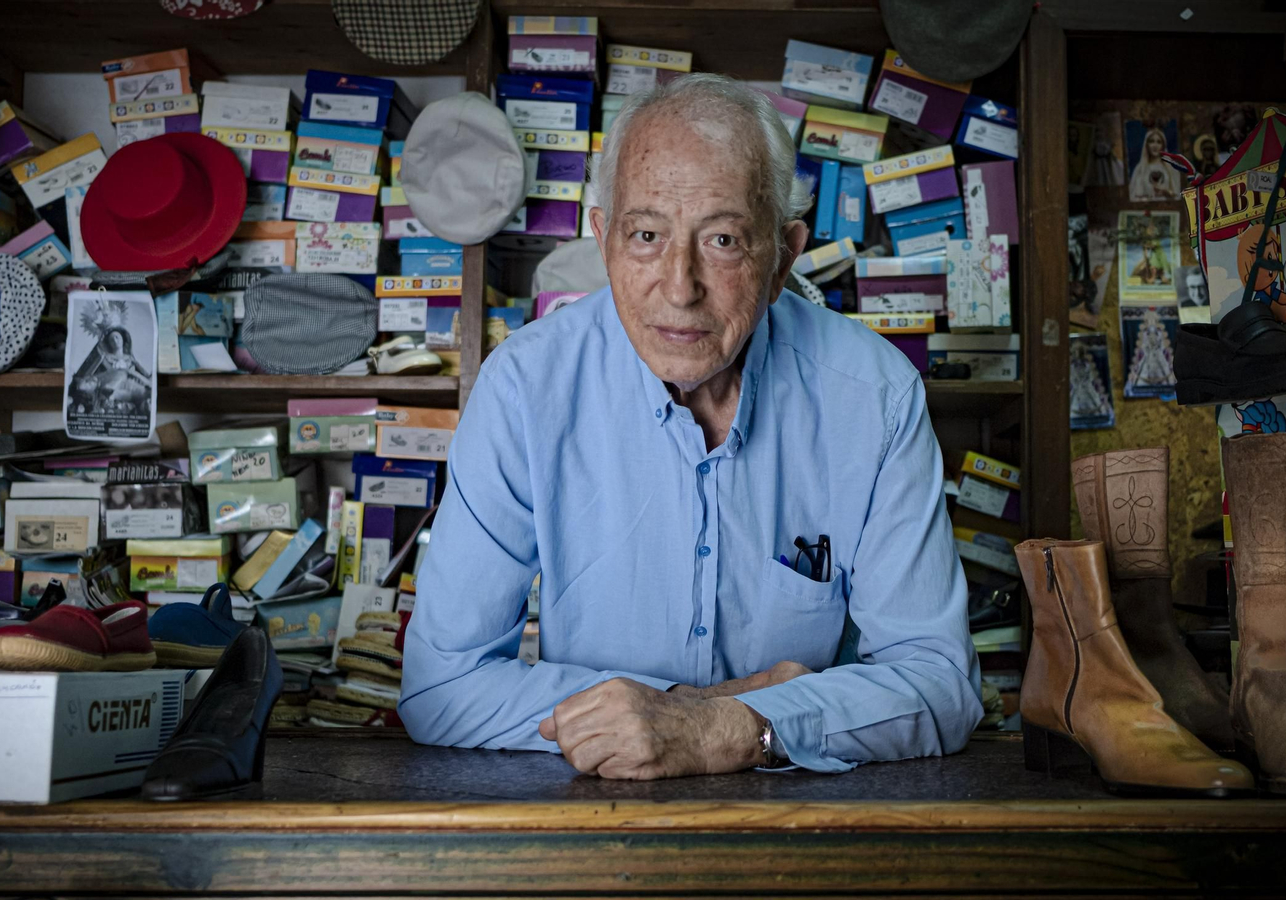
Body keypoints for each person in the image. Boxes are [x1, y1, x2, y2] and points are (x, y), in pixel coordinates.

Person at [400, 75, 982, 779]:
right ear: (603, 239)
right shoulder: (525, 389)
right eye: (646, 235)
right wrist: (694, 712)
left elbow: (941, 685)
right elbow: (441, 687)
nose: (680, 287)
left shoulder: (876, 397)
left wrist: (725, 730)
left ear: (782, 259)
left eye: (725, 240)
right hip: (593, 824)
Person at [1128, 126, 1180, 202]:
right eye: (1151, 141)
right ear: (1146, 145)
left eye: (1159, 142)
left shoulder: (1171, 168)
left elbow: (1179, 195)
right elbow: (1133, 197)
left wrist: (1167, 192)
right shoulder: (1140, 169)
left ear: (1163, 146)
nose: (1155, 145)